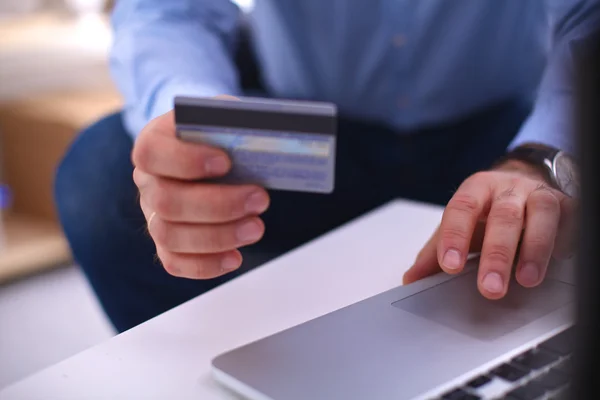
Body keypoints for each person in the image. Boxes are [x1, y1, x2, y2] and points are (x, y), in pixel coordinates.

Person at [55, 0, 596, 333]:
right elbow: (171, 11)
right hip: (304, 133)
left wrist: (543, 153)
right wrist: (193, 124)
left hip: (499, 134)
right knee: (101, 182)